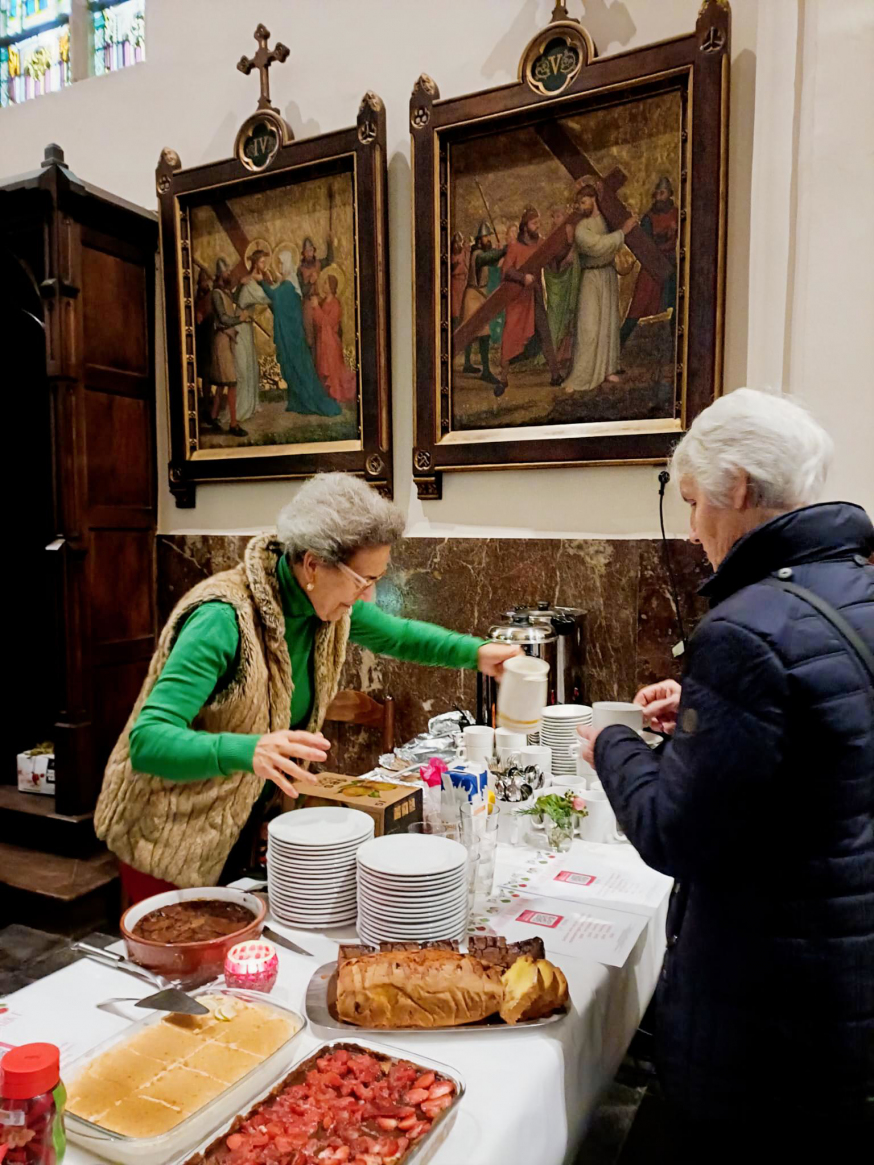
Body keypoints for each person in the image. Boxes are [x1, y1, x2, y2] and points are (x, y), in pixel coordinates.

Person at [576, 389, 874, 1158]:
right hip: (847, 988)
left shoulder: (747, 627)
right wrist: (717, 713)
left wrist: (613, 742)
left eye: (695, 502)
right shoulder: (856, 588)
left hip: (768, 1019)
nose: (696, 529)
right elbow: (833, 736)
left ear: (736, 489)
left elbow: (673, 834)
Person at [94, 473, 521, 903]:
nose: (368, 597)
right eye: (362, 581)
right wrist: (249, 751)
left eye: (376, 580)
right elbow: (147, 742)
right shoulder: (221, 618)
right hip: (169, 839)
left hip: (238, 838)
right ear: (314, 565)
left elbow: (399, 635)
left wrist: (479, 653)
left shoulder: (323, 609)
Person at [563, 181, 637, 394]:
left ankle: (608, 369)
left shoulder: (606, 221)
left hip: (608, 274)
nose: (580, 206)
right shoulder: (581, 228)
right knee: (589, 327)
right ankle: (580, 376)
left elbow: (610, 244)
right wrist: (622, 232)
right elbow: (596, 246)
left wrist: (621, 229)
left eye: (583, 202)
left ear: (594, 199)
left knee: (608, 323)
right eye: (578, 203)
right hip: (591, 277)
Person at [254, 251, 341, 417]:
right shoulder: (289, 285)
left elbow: (274, 296)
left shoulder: (287, 286)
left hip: (292, 337)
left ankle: (305, 401)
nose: (279, 267)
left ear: (286, 266)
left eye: (281, 264)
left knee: (297, 368)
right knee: (295, 368)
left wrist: (261, 283)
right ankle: (297, 401)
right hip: (293, 335)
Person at [499, 207, 562, 392]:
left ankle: (555, 375)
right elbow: (506, 270)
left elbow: (552, 260)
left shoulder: (540, 243)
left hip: (535, 295)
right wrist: (522, 277)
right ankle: (502, 378)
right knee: (511, 335)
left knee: (544, 333)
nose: (538, 226)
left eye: (538, 222)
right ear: (525, 227)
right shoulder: (515, 247)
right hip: (518, 298)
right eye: (534, 223)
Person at [621, 176, 679, 346]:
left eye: (663, 193)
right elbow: (646, 242)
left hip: (670, 264)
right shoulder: (649, 218)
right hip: (652, 264)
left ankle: (675, 345)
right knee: (639, 305)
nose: (660, 197)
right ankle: (619, 343)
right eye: (658, 193)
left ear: (669, 194)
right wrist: (666, 234)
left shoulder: (676, 213)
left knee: (675, 304)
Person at [459, 221, 506, 386]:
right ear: (479, 240)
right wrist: (503, 250)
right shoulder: (477, 255)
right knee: (479, 333)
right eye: (486, 237)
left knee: (472, 332)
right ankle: (485, 371)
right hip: (473, 296)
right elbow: (488, 258)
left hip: (479, 296)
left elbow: (493, 260)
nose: (488, 239)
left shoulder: (483, 254)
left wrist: (499, 251)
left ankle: (467, 364)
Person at [209, 257, 250, 437]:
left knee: (222, 382)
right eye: (225, 272)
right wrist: (239, 320)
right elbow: (224, 318)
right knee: (231, 382)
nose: (228, 274)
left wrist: (241, 285)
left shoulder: (224, 292)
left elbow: (233, 297)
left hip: (227, 340)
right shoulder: (216, 294)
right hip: (221, 340)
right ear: (219, 275)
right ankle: (233, 424)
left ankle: (213, 416)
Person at [232, 249, 272, 425]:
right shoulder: (249, 284)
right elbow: (266, 297)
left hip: (246, 328)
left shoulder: (255, 281)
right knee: (244, 367)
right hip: (239, 328)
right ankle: (242, 409)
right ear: (255, 263)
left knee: (252, 366)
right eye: (262, 262)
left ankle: (253, 403)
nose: (265, 266)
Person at [543, 205, 580, 366]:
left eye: (559, 216)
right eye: (554, 216)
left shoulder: (570, 230)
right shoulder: (551, 234)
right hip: (555, 279)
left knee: (569, 312)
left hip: (568, 276)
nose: (556, 219)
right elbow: (547, 256)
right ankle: (554, 353)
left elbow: (573, 253)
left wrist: (569, 255)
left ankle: (566, 352)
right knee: (555, 312)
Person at [311, 272, 357, 403]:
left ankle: (336, 393)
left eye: (326, 283)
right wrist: (315, 308)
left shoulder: (336, 304)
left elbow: (328, 323)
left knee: (333, 369)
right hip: (323, 340)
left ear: (331, 286)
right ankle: (327, 395)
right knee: (323, 368)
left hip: (331, 342)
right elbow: (318, 322)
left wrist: (316, 309)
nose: (323, 285)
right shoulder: (324, 301)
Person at [298, 235, 333, 351]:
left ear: (314, 251)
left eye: (311, 250)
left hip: (318, 301)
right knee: (309, 336)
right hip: (308, 303)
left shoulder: (318, 263)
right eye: (307, 251)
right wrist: (310, 283)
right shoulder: (300, 270)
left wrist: (329, 243)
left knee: (322, 332)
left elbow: (330, 260)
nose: (309, 253)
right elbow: (301, 291)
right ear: (303, 253)